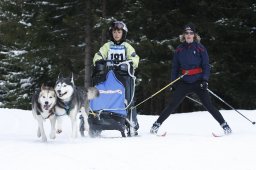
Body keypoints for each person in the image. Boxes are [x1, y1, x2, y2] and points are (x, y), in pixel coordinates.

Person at [150, 23, 232, 135]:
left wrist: (205, 80)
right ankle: (156, 125)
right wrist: (173, 82)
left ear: (194, 35)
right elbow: (175, 67)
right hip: (185, 82)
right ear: (184, 35)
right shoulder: (179, 49)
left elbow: (206, 65)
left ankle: (225, 126)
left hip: (198, 82)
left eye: (191, 33)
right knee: (172, 105)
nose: (189, 35)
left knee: (209, 105)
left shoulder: (200, 48)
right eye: (186, 33)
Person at [92, 21, 140, 136]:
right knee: (104, 96)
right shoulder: (107, 46)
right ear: (111, 33)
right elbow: (98, 55)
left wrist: (129, 63)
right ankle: (98, 119)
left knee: (128, 99)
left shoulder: (127, 46)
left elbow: (135, 58)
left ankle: (132, 123)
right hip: (109, 78)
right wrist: (99, 61)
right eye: (114, 32)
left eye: (119, 32)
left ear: (123, 33)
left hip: (124, 78)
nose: (116, 34)